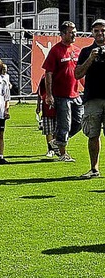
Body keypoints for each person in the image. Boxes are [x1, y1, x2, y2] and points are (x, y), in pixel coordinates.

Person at [42, 21, 83, 163]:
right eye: (71, 32)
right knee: (64, 124)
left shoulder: (77, 50)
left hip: (75, 94)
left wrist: (85, 86)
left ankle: (58, 141)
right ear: (63, 34)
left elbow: (80, 72)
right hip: (61, 95)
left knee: (79, 122)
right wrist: (49, 94)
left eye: (75, 31)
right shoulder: (55, 50)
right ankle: (63, 154)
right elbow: (48, 73)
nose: (74, 34)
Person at [74, 19, 105, 178]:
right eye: (97, 31)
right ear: (92, 33)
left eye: (103, 30)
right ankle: (94, 169)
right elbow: (77, 74)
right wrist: (91, 58)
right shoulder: (86, 51)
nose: (100, 34)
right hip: (92, 97)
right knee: (93, 134)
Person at [35, 75, 59, 158]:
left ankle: (56, 148)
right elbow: (39, 94)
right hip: (47, 108)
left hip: (58, 107)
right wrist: (38, 106)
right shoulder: (44, 78)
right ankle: (50, 149)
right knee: (49, 130)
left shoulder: (59, 76)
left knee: (57, 130)